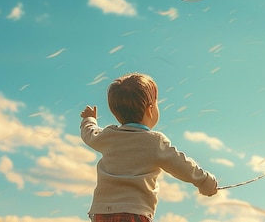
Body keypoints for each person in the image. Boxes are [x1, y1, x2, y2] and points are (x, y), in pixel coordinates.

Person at [81, 72, 218, 222]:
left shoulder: (108, 136)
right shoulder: (154, 142)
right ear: (150, 108)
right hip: (134, 213)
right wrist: (205, 181)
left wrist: (89, 119)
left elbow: (89, 133)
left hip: (102, 213)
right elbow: (182, 165)